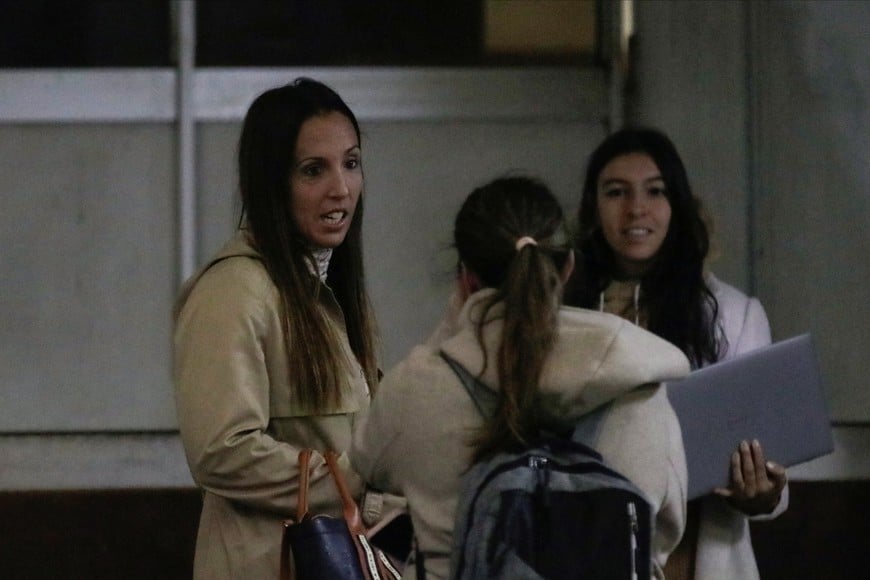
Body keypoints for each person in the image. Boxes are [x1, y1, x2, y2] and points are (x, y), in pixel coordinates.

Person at [351, 175, 691, 579]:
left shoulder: (417, 388)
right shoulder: (641, 391)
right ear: (566, 268)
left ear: (465, 278)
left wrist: (454, 330)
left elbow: (365, 467)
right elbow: (660, 538)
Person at [174, 78, 387, 579]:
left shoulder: (325, 290)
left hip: (333, 560)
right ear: (272, 182)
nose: (341, 188)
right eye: (313, 170)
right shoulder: (235, 289)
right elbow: (223, 451)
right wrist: (357, 484)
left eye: (351, 163)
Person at [565, 127, 789, 580]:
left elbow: (773, 482)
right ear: (593, 208)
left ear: (678, 205)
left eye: (655, 191)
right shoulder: (563, 313)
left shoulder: (735, 313)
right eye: (616, 192)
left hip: (696, 556)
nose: (636, 209)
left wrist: (760, 491)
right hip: (583, 551)